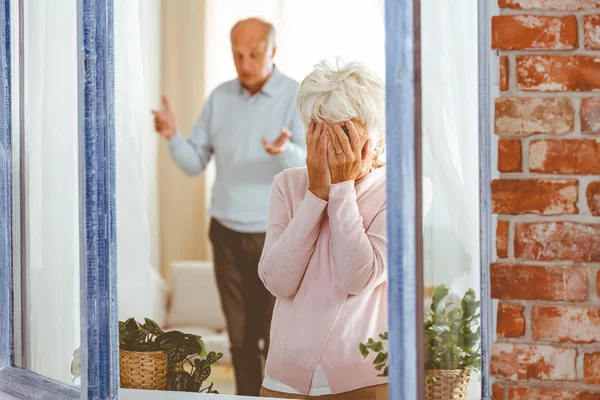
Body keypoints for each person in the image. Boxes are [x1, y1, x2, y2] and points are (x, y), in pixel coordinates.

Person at [152, 18, 306, 397]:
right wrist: (172, 136)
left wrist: (283, 150)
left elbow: (309, 169)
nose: (245, 61)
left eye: (254, 53)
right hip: (225, 232)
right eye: (237, 53)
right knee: (239, 336)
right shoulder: (220, 98)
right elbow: (194, 163)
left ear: (272, 51)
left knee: (275, 335)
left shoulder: (295, 95)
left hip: (276, 233)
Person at [258, 60, 388, 399]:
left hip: (363, 379)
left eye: (343, 134)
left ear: (373, 137)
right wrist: (315, 194)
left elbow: (357, 277)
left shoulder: (402, 190)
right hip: (282, 378)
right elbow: (277, 280)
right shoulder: (288, 185)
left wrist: (342, 188)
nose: (331, 149)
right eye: (320, 134)